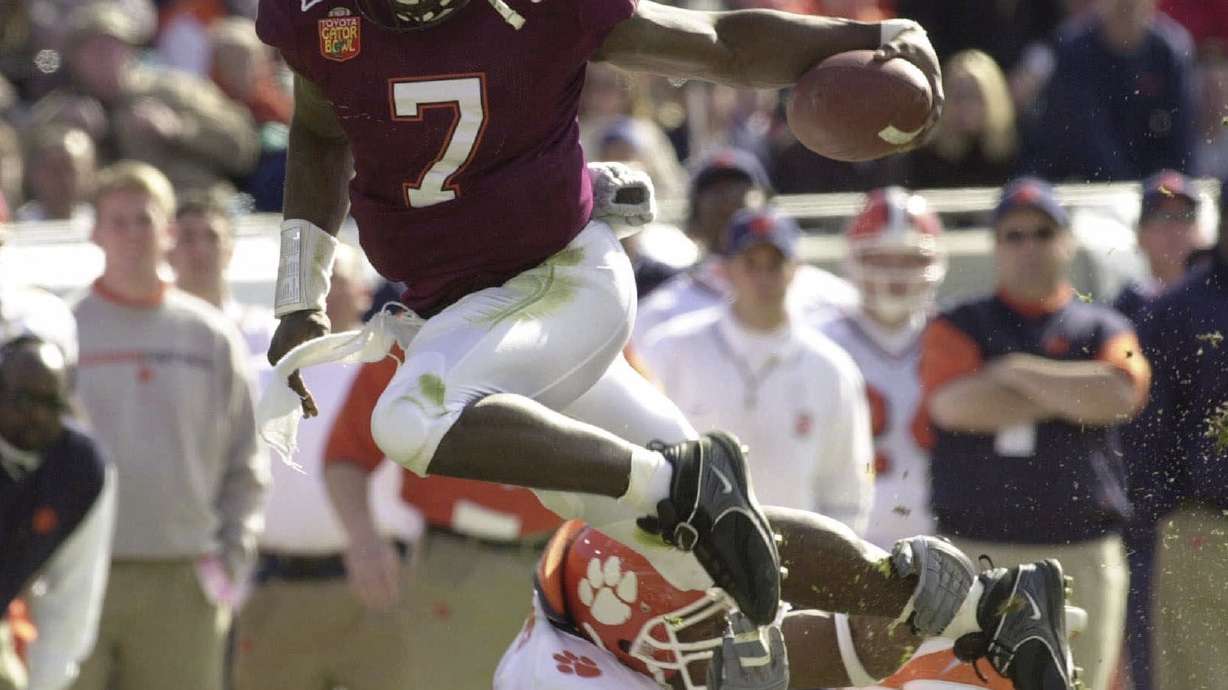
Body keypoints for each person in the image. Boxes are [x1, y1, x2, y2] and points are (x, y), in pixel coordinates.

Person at [254, 0, 945, 627]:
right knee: (691, 562)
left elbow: (717, 43)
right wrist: (298, 295)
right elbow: (318, 131)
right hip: (461, 315)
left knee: (411, 419)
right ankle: (960, 607)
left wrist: (878, 34)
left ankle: (677, 479)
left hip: (564, 279)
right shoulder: (322, 19)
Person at [918, 177, 1152, 690]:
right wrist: (1070, 395)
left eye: (1042, 233)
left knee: (1079, 681)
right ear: (995, 246)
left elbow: (1120, 393)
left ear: (1066, 241)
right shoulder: (958, 322)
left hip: (1081, 549)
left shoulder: (1106, 326)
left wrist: (1012, 368)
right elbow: (953, 405)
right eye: (1013, 235)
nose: (1029, 247)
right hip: (975, 548)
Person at [494, 508, 1079, 690]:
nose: (736, 627)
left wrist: (933, 614)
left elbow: (841, 650)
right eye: (708, 621)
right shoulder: (558, 680)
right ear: (632, 640)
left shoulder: (621, 637)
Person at [69, 161, 269, 690]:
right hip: (79, 576)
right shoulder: (64, 333)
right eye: (119, 221)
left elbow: (246, 461)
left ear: (168, 232)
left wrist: (228, 564)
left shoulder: (210, 337)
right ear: (95, 232)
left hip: (184, 580)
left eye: (145, 220)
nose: (134, 234)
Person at [231, 244, 424, 690]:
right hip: (277, 592)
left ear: (361, 291)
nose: (318, 293)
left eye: (332, 278)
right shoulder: (258, 377)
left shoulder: (396, 370)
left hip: (383, 594)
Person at [640, 207, 874, 531]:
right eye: (750, 263)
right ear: (726, 270)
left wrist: (832, 567)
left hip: (795, 559)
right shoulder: (669, 349)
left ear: (795, 270)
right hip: (687, 554)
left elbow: (849, 489)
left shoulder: (832, 369)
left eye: (775, 264)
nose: (763, 278)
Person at [1121, 183, 1228, 690]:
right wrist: (1167, 514)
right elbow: (1146, 439)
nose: (1172, 229)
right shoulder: (1174, 311)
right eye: (1161, 220)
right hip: (1205, 528)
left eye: (1183, 217)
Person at [822, 187, 946, 548]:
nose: (895, 275)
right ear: (853, 260)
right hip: (849, 534)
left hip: (941, 533)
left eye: (909, 260)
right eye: (880, 259)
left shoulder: (955, 338)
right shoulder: (821, 341)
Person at [633, 149, 858, 345]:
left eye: (739, 191)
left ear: (771, 205)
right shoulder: (662, 310)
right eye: (715, 195)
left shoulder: (829, 297)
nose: (729, 201)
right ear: (694, 220)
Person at [0, 337, 114, 690]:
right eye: (23, 399)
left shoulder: (81, 468)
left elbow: (72, 597)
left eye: (51, 403)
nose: (36, 414)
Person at [1020, 0, 1196, 181]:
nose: (1126, 6)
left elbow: (1180, 144)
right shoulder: (1074, 50)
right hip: (1087, 189)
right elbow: (1084, 137)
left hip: (1154, 192)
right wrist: (1127, 188)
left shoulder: (1170, 52)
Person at [168, 191, 277, 360]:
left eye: (212, 238)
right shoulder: (152, 331)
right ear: (168, 252)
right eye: (187, 238)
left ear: (230, 251)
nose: (200, 250)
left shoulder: (263, 331)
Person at [1111, 170, 1205, 324]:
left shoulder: (1219, 297)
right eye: (1162, 218)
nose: (1175, 230)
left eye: (1185, 216)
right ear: (1139, 234)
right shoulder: (1124, 310)